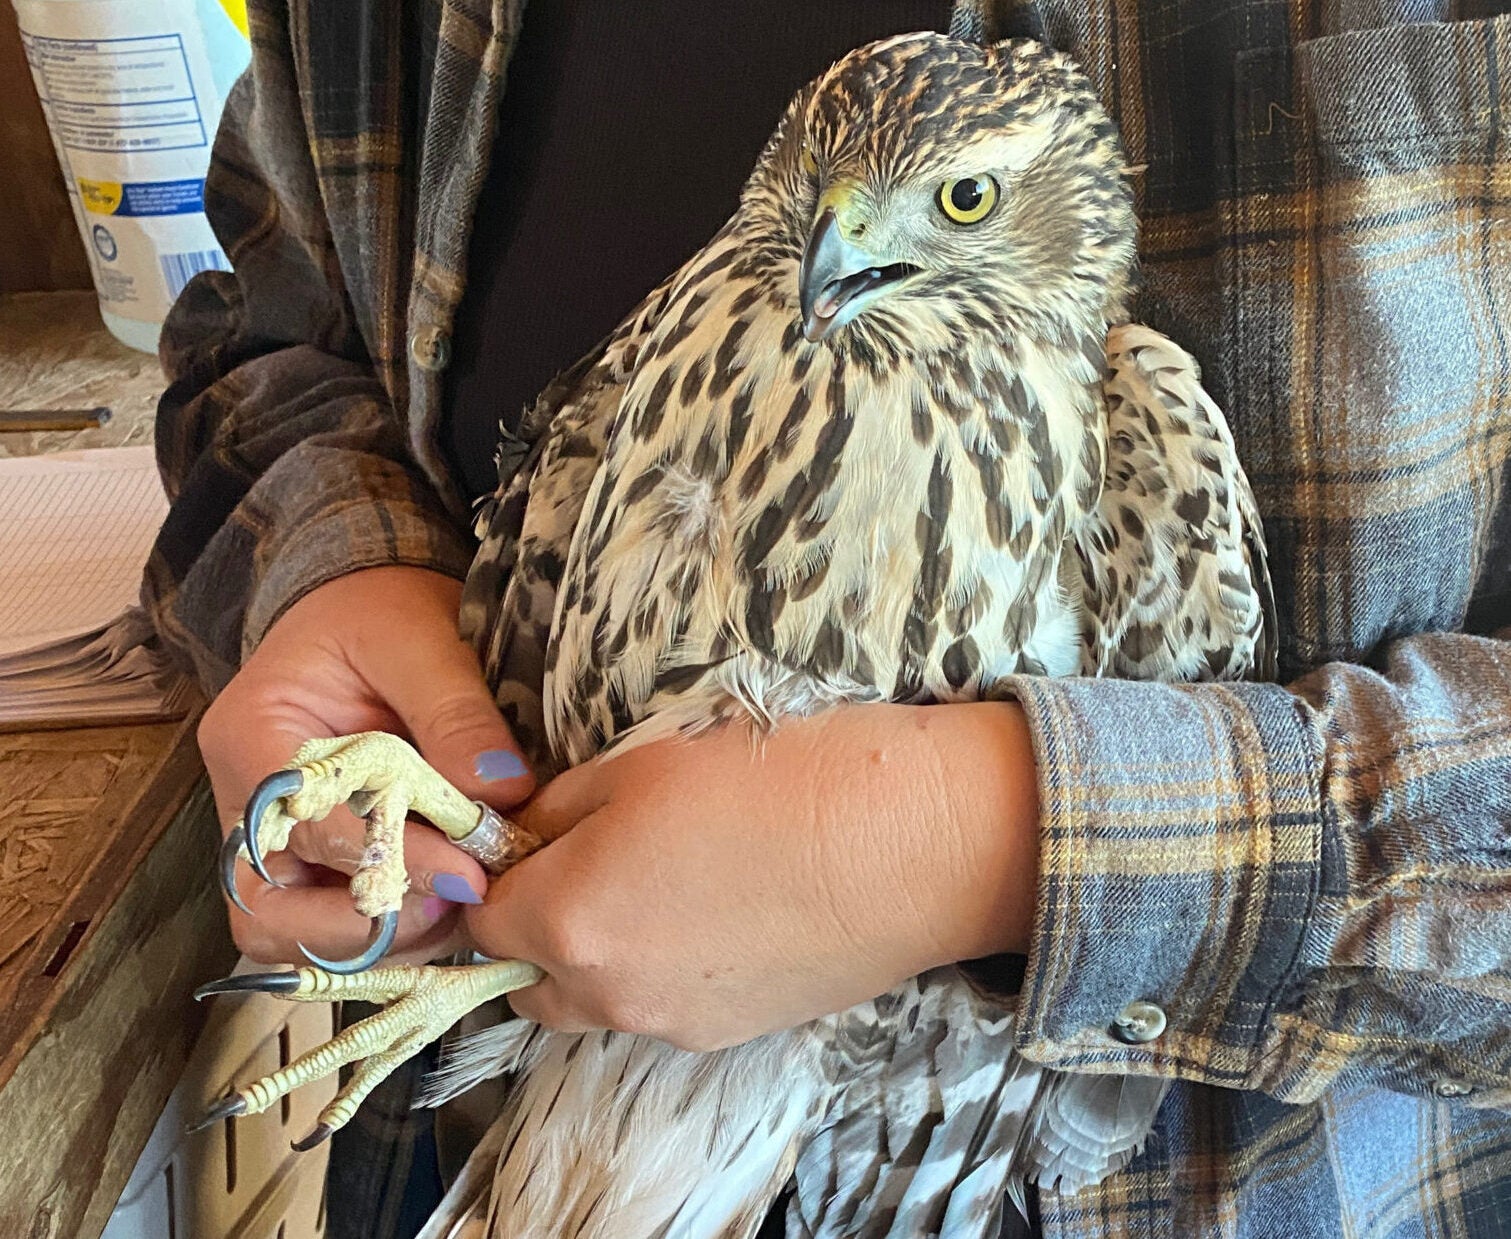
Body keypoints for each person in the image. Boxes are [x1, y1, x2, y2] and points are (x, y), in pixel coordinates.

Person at [146, 1, 1511, 1236]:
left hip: (1083, 1164)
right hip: (476, 1090)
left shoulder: (1133, 437)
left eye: (961, 202)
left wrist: (972, 844)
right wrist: (335, 567)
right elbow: (271, 332)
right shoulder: (716, 312)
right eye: (825, 192)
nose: (841, 242)